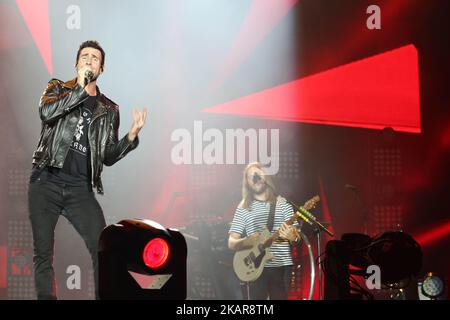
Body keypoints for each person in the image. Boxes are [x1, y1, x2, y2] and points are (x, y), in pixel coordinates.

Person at [28, 40, 147, 299]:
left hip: (79, 188)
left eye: (95, 58)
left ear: (101, 68)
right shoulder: (57, 87)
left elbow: (107, 156)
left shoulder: (109, 110)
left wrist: (130, 137)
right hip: (45, 179)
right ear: (77, 63)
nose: (89, 60)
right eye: (84, 57)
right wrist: (79, 90)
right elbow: (47, 113)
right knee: (43, 252)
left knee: (103, 248)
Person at [228, 162, 301, 300]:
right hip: (254, 267)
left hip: (280, 266)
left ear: (266, 177)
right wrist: (245, 241)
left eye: (258, 174)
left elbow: (297, 238)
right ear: (247, 183)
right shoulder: (243, 206)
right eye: (251, 177)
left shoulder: (283, 204)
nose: (255, 178)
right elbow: (231, 242)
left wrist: (293, 237)